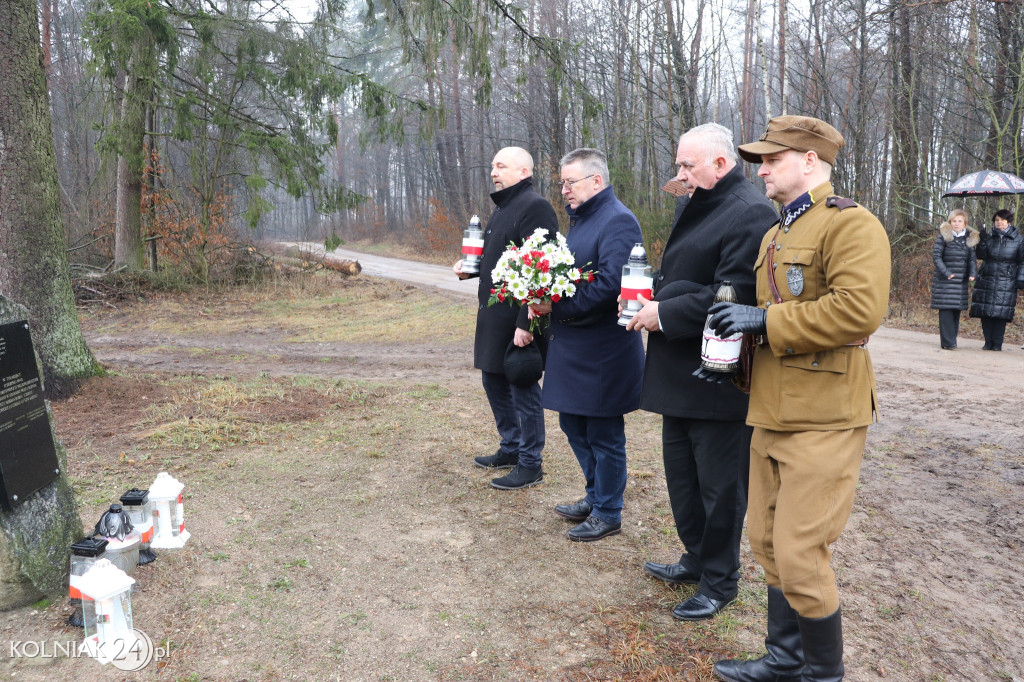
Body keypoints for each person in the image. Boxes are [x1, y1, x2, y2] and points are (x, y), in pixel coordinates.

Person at [703, 115, 891, 682]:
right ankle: (785, 660)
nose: (760, 169)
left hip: (825, 417)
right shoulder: (775, 233)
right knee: (766, 541)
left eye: (771, 159)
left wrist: (764, 317)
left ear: (810, 161)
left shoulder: (851, 225)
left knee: (801, 553)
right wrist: (734, 359)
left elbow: (859, 311)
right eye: (760, 160)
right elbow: (772, 325)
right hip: (771, 411)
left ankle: (822, 674)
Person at [624, 123, 777, 620]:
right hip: (678, 371)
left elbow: (732, 295)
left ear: (719, 163)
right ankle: (695, 558)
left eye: (687, 165)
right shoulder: (699, 199)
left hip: (717, 374)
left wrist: (663, 312)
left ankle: (720, 581)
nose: (680, 174)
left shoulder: (749, 212)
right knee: (683, 479)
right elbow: (690, 273)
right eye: (678, 164)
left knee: (720, 488)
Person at [529, 148, 645, 542]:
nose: (563, 190)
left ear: (596, 181)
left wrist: (556, 304)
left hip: (603, 350)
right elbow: (572, 275)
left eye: (569, 182)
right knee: (572, 422)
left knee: (603, 431)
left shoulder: (619, 221)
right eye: (561, 183)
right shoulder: (581, 221)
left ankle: (609, 511)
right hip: (575, 344)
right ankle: (596, 496)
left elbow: (612, 285)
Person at [453, 147, 558, 489]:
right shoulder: (503, 208)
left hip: (519, 317)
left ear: (524, 171)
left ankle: (531, 463)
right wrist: (470, 269)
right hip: (493, 316)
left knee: (522, 386)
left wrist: (527, 324)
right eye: (492, 165)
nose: (494, 172)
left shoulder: (535, 207)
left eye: (501, 166)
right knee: (493, 381)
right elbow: (501, 259)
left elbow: (543, 269)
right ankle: (511, 448)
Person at [969, 209, 1024, 351]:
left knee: (1001, 313)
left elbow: (1022, 261)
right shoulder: (989, 236)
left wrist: (1020, 279)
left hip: (1007, 279)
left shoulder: (1018, 239)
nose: (999, 223)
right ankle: (988, 342)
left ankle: (997, 343)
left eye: (1002, 220)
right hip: (987, 277)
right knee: (985, 311)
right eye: (996, 220)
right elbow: (980, 255)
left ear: (1009, 221)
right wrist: (981, 241)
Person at [930, 208, 978, 350]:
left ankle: (952, 340)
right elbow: (936, 257)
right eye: (954, 221)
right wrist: (946, 272)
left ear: (965, 223)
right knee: (946, 311)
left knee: (956, 311)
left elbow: (972, 260)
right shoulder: (943, 237)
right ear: (950, 222)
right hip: (945, 281)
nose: (957, 223)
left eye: (960, 221)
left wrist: (972, 273)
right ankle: (948, 342)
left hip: (961, 282)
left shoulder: (968, 240)